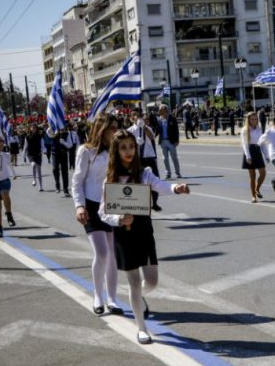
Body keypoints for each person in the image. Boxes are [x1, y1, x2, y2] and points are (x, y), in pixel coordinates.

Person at [99, 129, 190, 344]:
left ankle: (139, 297)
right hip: (123, 233)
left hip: (143, 230)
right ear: (116, 151)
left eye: (131, 146)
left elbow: (161, 186)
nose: (128, 151)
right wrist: (119, 219)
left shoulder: (144, 173)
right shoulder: (109, 180)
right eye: (123, 148)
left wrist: (177, 188)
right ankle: (141, 328)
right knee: (133, 282)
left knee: (152, 281)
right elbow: (103, 212)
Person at [72, 113, 123, 316]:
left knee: (112, 254)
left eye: (117, 128)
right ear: (101, 130)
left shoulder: (117, 150)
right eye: (112, 128)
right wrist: (79, 206)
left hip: (112, 204)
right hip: (92, 206)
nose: (115, 132)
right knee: (101, 252)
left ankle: (112, 298)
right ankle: (98, 296)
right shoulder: (86, 151)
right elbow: (77, 181)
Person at [128, 110, 162, 211]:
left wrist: (144, 127)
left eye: (139, 116)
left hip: (149, 158)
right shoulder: (129, 131)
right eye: (135, 116)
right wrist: (134, 143)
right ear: (131, 118)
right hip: (137, 159)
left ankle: (154, 202)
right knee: (139, 183)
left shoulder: (148, 128)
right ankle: (142, 205)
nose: (137, 118)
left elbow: (152, 137)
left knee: (155, 181)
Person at [240, 111, 266, 203]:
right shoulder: (245, 130)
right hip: (250, 151)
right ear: (248, 120)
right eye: (252, 119)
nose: (254, 121)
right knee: (252, 176)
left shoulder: (259, 129)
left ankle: (257, 188)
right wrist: (248, 156)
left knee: (263, 173)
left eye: (256, 119)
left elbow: (262, 143)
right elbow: (245, 144)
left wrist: (266, 154)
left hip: (257, 150)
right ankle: (253, 196)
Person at [155, 104, 181, 179]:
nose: (159, 111)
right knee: (165, 158)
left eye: (160, 110)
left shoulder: (172, 119)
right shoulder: (159, 119)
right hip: (163, 141)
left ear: (164, 110)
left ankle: (177, 172)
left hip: (171, 141)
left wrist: (177, 140)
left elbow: (176, 130)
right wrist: (154, 136)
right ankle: (168, 173)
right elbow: (157, 129)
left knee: (174, 157)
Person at [47, 126, 72, 197]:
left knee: (64, 172)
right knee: (55, 169)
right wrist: (52, 125)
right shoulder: (54, 132)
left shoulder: (67, 134)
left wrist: (64, 142)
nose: (62, 129)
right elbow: (48, 132)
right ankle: (57, 185)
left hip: (63, 154)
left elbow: (70, 145)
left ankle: (66, 190)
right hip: (55, 154)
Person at [22, 124, 45, 191]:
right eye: (32, 127)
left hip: (38, 154)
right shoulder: (27, 137)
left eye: (35, 127)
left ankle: (41, 186)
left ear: (36, 128)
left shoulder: (40, 136)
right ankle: (34, 179)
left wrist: (44, 150)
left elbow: (42, 145)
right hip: (31, 154)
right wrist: (24, 155)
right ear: (30, 129)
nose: (33, 128)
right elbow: (25, 146)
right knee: (33, 165)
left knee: (39, 170)